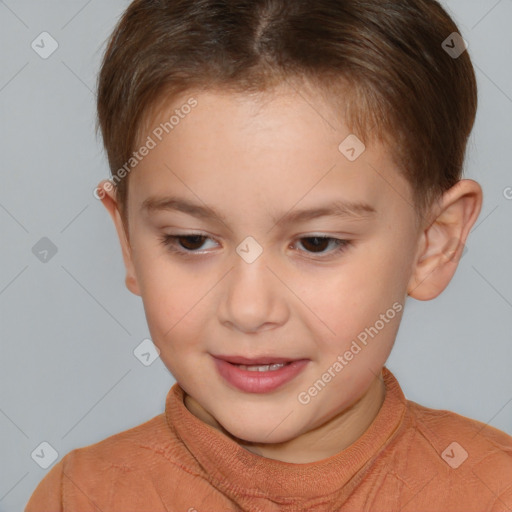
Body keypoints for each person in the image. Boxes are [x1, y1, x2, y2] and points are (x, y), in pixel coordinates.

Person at [25, 0, 512, 510]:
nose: (249, 309)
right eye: (191, 241)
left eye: (316, 243)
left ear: (434, 242)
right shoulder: (82, 497)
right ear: (128, 241)